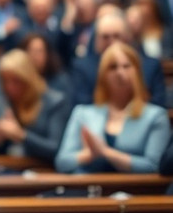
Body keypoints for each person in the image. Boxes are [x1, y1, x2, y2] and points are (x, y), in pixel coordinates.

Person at [55, 42, 170, 173]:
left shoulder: (156, 116)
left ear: (137, 72)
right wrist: (88, 155)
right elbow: (62, 162)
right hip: (88, 184)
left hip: (136, 185)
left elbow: (154, 166)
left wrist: (105, 152)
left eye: (126, 66)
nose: (120, 72)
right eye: (113, 67)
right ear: (102, 75)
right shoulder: (82, 113)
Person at [0, 50, 70, 162]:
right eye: (5, 81)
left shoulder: (54, 102)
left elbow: (55, 149)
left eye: (16, 81)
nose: (10, 87)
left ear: (28, 78)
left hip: (41, 169)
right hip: (5, 169)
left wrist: (22, 136)